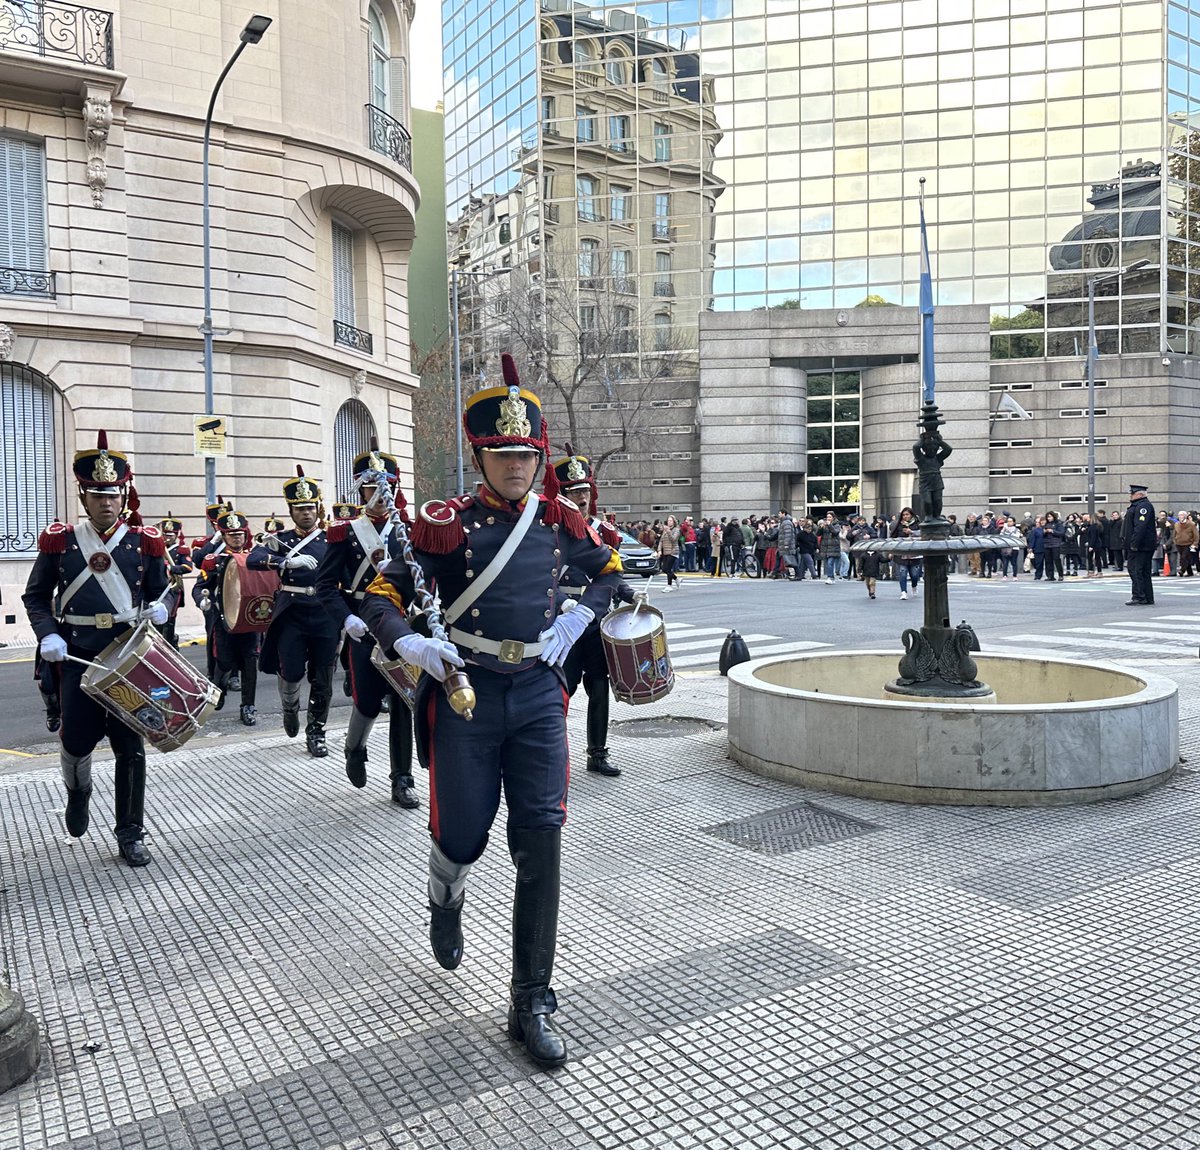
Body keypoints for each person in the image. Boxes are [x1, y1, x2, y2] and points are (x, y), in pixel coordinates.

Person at [360, 357, 623, 1070]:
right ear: (480, 456)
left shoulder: (563, 518)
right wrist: (409, 639)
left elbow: (609, 576)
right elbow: (380, 594)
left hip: (538, 690)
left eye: (528, 455)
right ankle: (445, 895)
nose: (519, 467)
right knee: (465, 837)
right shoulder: (444, 525)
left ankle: (531, 998)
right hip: (465, 691)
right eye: (505, 455)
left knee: (541, 842)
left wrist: (577, 621)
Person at [22, 431, 169, 866]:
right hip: (76, 657)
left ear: (124, 495)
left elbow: (164, 592)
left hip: (127, 658)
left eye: (113, 495)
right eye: (97, 494)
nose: (106, 502)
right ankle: (79, 793)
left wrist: (163, 609)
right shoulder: (61, 542)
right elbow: (35, 596)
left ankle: (130, 832)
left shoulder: (145, 542)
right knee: (75, 742)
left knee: (131, 747)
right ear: (83, 496)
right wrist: (47, 632)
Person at [315, 444, 419, 807]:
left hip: (401, 624)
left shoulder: (408, 530)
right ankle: (354, 747)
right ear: (360, 490)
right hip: (363, 623)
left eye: (385, 487)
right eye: (371, 488)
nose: (378, 496)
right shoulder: (345, 533)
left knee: (405, 700)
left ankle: (401, 778)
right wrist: (346, 618)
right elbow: (324, 586)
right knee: (369, 702)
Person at [551, 449, 641, 777]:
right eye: (575, 492)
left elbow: (612, 577)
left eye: (586, 490)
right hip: (564, 621)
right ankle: (553, 755)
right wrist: (563, 603)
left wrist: (631, 595)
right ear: (562, 496)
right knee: (562, 689)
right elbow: (539, 578)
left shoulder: (606, 533)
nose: (582, 497)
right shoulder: (550, 530)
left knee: (599, 686)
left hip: (597, 622)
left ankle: (597, 753)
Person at [248, 467, 338, 757]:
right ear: (291, 511)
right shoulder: (281, 539)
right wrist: (287, 562)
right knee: (291, 671)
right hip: (292, 614)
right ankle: (289, 707)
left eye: (310, 507)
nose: (306, 513)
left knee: (323, 675)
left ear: (318, 507)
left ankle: (317, 732)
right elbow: (255, 558)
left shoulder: (331, 539)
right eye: (300, 509)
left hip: (324, 613)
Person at [201, 508, 260, 723]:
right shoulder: (213, 561)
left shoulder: (255, 558)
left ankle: (249, 706)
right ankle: (220, 690)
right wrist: (203, 600)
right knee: (224, 662)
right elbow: (200, 586)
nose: (237, 537)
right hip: (224, 620)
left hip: (250, 620)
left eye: (240, 533)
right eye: (232, 534)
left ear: (246, 535)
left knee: (250, 664)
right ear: (224, 536)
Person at [191, 496, 232, 683]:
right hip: (214, 593)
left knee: (236, 635)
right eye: (218, 524)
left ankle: (235, 675)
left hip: (233, 593)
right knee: (212, 634)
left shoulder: (238, 539)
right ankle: (211, 671)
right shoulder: (204, 543)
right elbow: (198, 560)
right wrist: (214, 542)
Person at [158, 513, 193, 648]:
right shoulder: (157, 548)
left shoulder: (181, 550)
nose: (167, 538)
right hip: (159, 587)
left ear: (176, 535)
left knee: (169, 619)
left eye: (170, 535)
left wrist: (170, 568)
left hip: (174, 589)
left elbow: (187, 567)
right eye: (165, 534)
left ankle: (171, 644)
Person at [1124, 483, 1157, 606]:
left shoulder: (1143, 506)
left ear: (1139, 494)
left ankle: (1139, 596)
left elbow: (1140, 527)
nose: (1130, 496)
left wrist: (1134, 543)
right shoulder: (1139, 505)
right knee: (1143, 571)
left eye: (1132, 493)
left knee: (1136, 570)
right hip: (1142, 545)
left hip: (1141, 546)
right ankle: (1147, 597)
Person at [657, 514, 681, 590]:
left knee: (668, 568)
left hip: (673, 551)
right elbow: (661, 540)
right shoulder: (665, 530)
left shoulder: (676, 530)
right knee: (664, 569)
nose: (669, 522)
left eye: (671, 521)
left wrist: (669, 532)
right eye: (668, 521)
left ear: (674, 522)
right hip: (665, 551)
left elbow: (673, 540)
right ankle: (676, 578)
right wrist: (659, 550)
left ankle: (669, 585)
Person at [1042, 511, 1065, 581]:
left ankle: (1060, 575)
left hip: (1055, 544)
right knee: (1048, 561)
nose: (1049, 518)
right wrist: (1044, 532)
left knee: (1056, 559)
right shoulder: (1046, 524)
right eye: (1048, 517)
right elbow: (1042, 534)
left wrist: (1052, 531)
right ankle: (1050, 576)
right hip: (1047, 544)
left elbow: (1061, 533)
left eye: (1050, 517)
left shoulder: (1058, 524)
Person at [1174, 510, 1198, 577]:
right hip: (1179, 543)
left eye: (1181, 515)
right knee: (1185, 558)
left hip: (1188, 543)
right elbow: (1174, 533)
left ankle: (1182, 570)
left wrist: (1195, 543)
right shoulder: (1177, 524)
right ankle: (1190, 572)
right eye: (1179, 515)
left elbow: (1196, 535)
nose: (1180, 517)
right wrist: (1175, 540)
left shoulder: (1191, 524)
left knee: (1184, 558)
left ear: (1185, 516)